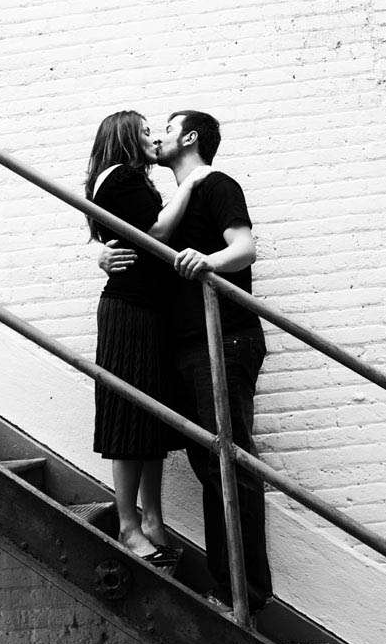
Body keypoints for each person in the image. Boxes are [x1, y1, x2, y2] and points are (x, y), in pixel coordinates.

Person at [100, 110, 272, 614]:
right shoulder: (169, 201)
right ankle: (229, 588)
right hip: (186, 346)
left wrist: (208, 261)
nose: (158, 137)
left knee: (231, 466)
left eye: (168, 129)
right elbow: (143, 240)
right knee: (210, 466)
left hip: (225, 340)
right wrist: (106, 254)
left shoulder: (216, 183)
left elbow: (245, 248)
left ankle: (244, 597)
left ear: (191, 137)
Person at [86, 110, 211, 566]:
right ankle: (128, 526)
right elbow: (155, 231)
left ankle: (153, 521)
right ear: (123, 137)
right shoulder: (119, 176)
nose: (152, 137)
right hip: (130, 313)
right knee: (127, 417)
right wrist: (191, 184)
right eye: (143, 131)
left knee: (150, 418)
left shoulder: (129, 180)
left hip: (149, 313)